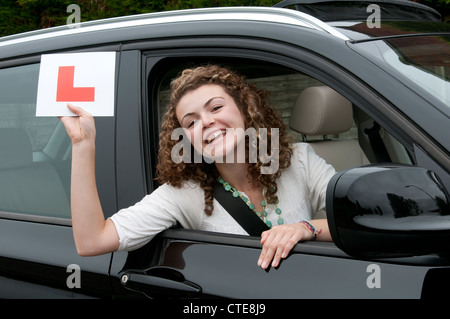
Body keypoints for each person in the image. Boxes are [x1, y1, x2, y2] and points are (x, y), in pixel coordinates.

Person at [60, 65, 335, 270]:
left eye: (215, 108)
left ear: (245, 108)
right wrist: (83, 145)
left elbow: (360, 218)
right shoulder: (183, 193)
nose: (206, 123)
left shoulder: (299, 159)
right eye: (191, 122)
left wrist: (305, 228)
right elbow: (92, 241)